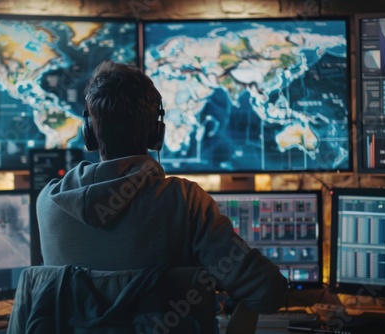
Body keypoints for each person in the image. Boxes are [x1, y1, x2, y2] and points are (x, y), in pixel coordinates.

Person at [36, 60, 288, 314]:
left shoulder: (49, 202)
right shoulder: (185, 202)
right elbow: (269, 291)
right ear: (157, 133)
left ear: (89, 132)